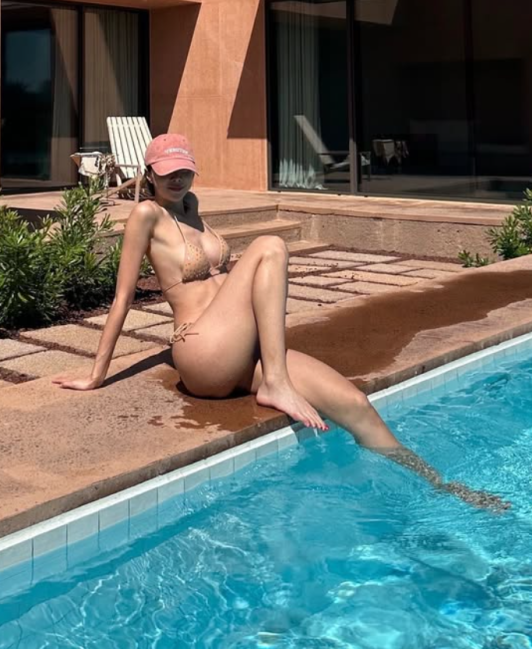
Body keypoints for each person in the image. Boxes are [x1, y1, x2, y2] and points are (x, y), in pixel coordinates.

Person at [52, 134, 508, 512]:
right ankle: (276, 382)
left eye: (184, 171)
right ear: (149, 173)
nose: (177, 179)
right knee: (269, 246)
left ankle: (441, 487)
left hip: (241, 349)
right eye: (167, 172)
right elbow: (123, 297)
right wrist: (96, 375)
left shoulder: (191, 205)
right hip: (202, 352)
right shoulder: (146, 214)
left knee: (354, 403)